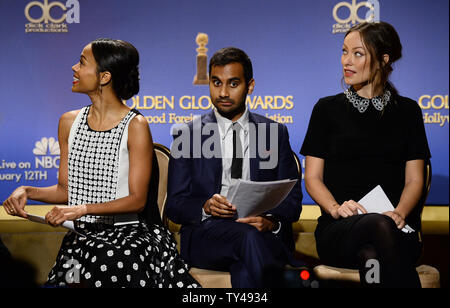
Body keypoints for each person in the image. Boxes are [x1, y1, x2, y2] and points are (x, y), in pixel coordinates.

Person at [2, 38, 200, 288]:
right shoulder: (68, 122)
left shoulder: (135, 126)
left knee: (105, 263)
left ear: (104, 77)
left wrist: (82, 209)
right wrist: (26, 191)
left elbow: (137, 200)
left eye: (82, 62)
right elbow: (66, 191)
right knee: (68, 277)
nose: (74, 68)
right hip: (83, 237)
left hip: (130, 238)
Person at [300, 22, 431, 288]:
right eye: (344, 51)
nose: (346, 61)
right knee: (377, 227)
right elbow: (312, 178)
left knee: (372, 255)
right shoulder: (326, 109)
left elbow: (415, 180)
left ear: (384, 60)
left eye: (357, 53)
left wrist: (399, 213)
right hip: (339, 229)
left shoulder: (408, 112)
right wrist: (336, 208)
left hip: (395, 228)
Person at [166, 47, 303, 288]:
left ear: (250, 86)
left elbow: (292, 200)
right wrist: (206, 206)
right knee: (249, 241)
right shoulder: (186, 135)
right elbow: (175, 205)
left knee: (245, 267)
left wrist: (270, 221)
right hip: (207, 236)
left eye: (233, 83)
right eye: (216, 83)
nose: (223, 92)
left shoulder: (274, 133)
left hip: (260, 233)